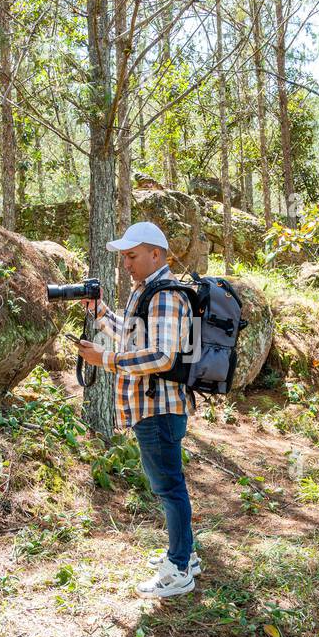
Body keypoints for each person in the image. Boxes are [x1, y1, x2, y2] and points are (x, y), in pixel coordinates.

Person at [76, 221, 201, 598]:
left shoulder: (163, 295)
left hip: (159, 408)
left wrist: (107, 359)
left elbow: (161, 356)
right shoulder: (147, 292)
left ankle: (179, 568)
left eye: (132, 256)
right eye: (124, 257)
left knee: (169, 486)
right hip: (152, 407)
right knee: (169, 484)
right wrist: (101, 315)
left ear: (156, 255)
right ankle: (187, 554)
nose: (126, 263)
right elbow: (134, 337)